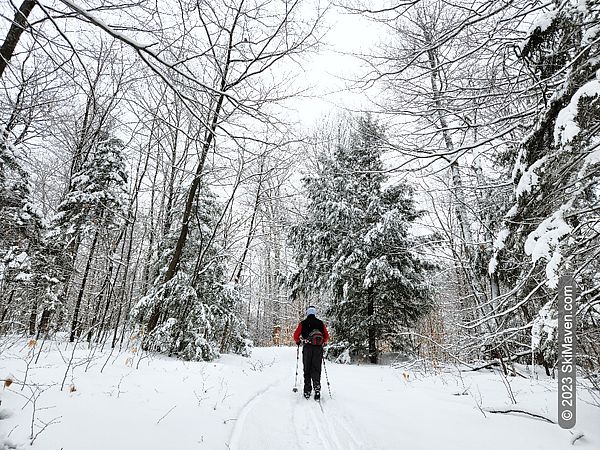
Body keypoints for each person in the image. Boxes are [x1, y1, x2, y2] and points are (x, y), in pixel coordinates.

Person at [293, 306, 329, 400]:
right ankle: (317, 390)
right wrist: (323, 342)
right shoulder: (320, 323)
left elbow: (296, 335)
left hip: (307, 348)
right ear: (314, 313)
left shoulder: (303, 323)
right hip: (318, 349)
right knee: (316, 369)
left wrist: (298, 341)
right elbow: (326, 335)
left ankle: (307, 391)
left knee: (307, 368)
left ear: (307, 313)